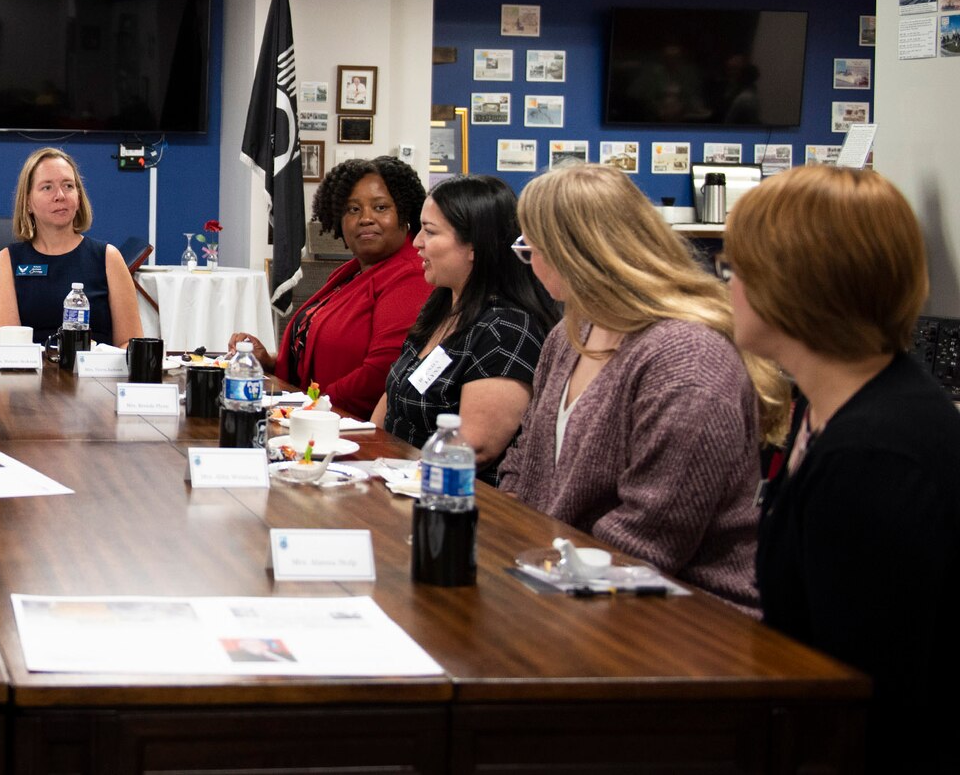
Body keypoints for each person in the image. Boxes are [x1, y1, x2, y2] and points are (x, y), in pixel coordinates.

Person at [725, 165, 958, 770]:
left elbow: (865, 697)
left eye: (736, 270)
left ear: (794, 285)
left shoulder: (875, 458)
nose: (729, 287)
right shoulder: (822, 407)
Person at [496, 163, 785, 612]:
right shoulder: (570, 333)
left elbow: (651, 538)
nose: (528, 262)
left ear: (570, 253)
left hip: (687, 617)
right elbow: (524, 458)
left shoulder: (686, 358)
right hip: (570, 586)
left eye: (529, 248)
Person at [367, 175, 556, 481]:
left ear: (474, 247)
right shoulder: (441, 307)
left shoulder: (505, 330)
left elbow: (473, 448)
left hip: (453, 502)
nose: (416, 242)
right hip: (392, 481)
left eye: (429, 231)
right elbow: (391, 401)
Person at [228, 156, 430, 419]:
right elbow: (316, 350)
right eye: (352, 209)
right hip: (316, 420)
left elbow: (383, 372)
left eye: (381, 207)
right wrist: (270, 362)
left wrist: (313, 406)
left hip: (355, 434)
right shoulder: (351, 274)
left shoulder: (411, 276)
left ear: (406, 213)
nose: (365, 219)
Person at [0, 147, 143, 348]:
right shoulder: (7, 260)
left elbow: (128, 344)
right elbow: (7, 346)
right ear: (27, 203)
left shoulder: (108, 258)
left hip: (95, 375)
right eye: (47, 187)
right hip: (30, 376)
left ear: (78, 198)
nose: (60, 195)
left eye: (68, 185)